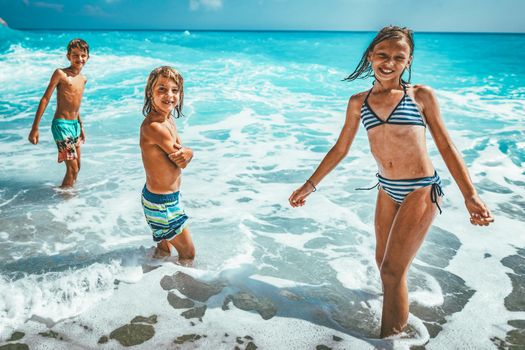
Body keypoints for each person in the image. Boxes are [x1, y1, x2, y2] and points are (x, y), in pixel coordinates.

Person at [288, 26, 494, 338]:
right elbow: (340, 148)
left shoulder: (420, 96)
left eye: (399, 57)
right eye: (382, 55)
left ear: (408, 61)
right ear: (370, 56)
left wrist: (471, 195)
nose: (389, 62)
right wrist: (309, 185)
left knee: (391, 270)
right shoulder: (358, 102)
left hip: (421, 188)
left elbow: (447, 146)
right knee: (383, 261)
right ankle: (396, 308)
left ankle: (390, 341)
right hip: (386, 188)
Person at [140, 66, 195, 263]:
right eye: (161, 89)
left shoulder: (168, 119)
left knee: (164, 251)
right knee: (188, 254)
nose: (169, 95)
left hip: (157, 197)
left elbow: (178, 151)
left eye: (174, 89)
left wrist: (185, 153)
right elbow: (180, 158)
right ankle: (183, 290)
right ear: (150, 93)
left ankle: (149, 277)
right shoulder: (155, 127)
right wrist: (190, 153)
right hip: (163, 203)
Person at [28, 39, 89, 188]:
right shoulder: (60, 74)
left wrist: (80, 126)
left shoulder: (83, 79)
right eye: (75, 55)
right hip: (61, 125)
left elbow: (75, 104)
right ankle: (65, 201)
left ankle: (68, 197)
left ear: (87, 57)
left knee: (77, 168)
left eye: (82, 55)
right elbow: (45, 99)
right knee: (72, 168)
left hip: (74, 126)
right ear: (68, 56)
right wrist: (35, 128)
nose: (79, 59)